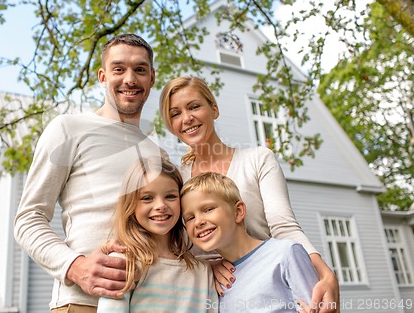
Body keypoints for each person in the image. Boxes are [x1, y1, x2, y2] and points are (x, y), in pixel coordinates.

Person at [14, 34, 167, 312]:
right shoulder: (69, 128)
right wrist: (76, 267)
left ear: (152, 77)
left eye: (140, 69)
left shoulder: (159, 153)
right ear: (102, 76)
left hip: (151, 303)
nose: (130, 79)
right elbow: (28, 219)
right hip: (84, 302)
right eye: (118, 69)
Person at [159, 76, 339, 312]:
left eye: (194, 106)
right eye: (175, 114)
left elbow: (284, 227)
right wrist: (206, 267)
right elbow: (173, 248)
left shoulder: (258, 159)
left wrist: (326, 275)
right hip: (213, 295)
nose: (187, 118)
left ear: (214, 108)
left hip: (268, 288)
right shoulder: (177, 181)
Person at [181, 172, 319, 312]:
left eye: (208, 209)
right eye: (190, 218)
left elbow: (316, 307)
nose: (198, 222)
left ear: (238, 211)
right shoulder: (213, 279)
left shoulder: (286, 253)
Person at [97, 157, 218, 312]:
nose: (160, 206)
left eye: (170, 196)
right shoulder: (123, 264)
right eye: (147, 198)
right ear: (131, 204)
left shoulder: (202, 271)